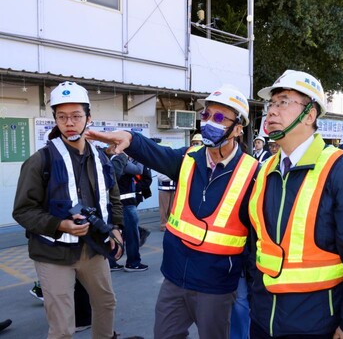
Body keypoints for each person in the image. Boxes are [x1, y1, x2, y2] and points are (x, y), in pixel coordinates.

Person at [85, 84, 258, 339]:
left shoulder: (254, 174)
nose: (209, 122)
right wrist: (131, 139)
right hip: (174, 279)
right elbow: (157, 153)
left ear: (238, 128)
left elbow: (258, 240)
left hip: (216, 286)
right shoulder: (188, 157)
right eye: (207, 115)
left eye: (220, 118)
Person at [249, 69, 343, 339]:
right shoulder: (265, 170)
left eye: (283, 102)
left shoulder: (342, 169)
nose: (271, 111)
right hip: (263, 319)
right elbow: (256, 247)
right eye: (270, 104)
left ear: (310, 115)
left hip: (318, 325)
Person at [12, 81, 123, 339]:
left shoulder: (101, 158)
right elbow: (23, 211)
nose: (69, 123)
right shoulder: (40, 161)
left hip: (94, 249)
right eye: (61, 117)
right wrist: (60, 225)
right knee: (62, 326)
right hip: (53, 253)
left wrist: (116, 228)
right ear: (55, 120)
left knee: (106, 304)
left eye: (75, 116)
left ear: (88, 118)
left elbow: (113, 199)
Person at [110, 153, 149, 272]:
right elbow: (139, 170)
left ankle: (111, 262)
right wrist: (140, 155)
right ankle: (133, 263)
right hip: (126, 204)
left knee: (115, 233)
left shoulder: (110, 159)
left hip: (118, 203)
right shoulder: (120, 160)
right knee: (132, 235)